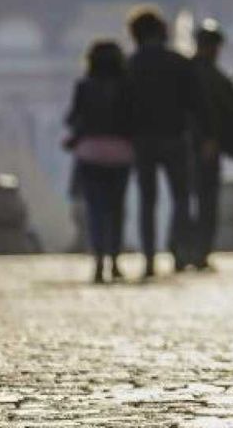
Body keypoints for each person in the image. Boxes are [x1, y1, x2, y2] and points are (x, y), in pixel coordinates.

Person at [124, 6, 201, 279]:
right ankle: (177, 249)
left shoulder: (130, 64)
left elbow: (124, 105)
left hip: (142, 139)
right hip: (175, 137)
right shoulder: (178, 62)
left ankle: (148, 257)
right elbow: (194, 103)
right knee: (181, 197)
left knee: (147, 200)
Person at [62, 40, 133, 284]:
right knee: (116, 209)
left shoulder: (84, 86)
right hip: (121, 153)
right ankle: (114, 261)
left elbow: (74, 119)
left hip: (91, 153)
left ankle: (98, 261)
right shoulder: (126, 86)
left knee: (95, 210)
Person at [188, 20, 233, 270]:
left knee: (183, 200)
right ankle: (200, 251)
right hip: (208, 146)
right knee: (206, 201)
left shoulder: (184, 71)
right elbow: (231, 110)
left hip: (183, 145)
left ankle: (183, 248)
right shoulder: (216, 77)